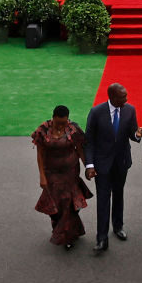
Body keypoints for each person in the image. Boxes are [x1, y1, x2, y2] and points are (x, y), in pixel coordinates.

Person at [83, 83, 142, 254]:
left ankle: (118, 227)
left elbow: (132, 134)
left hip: (121, 163)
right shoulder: (96, 112)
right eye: (122, 97)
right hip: (102, 165)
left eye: (126, 96)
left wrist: (138, 135)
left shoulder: (129, 110)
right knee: (103, 199)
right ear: (111, 97)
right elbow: (89, 141)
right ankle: (102, 238)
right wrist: (89, 165)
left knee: (118, 194)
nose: (126, 99)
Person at [32, 105, 93, 251]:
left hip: (71, 173)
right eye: (59, 122)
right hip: (51, 173)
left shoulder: (73, 129)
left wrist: (88, 167)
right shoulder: (43, 130)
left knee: (69, 204)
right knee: (56, 207)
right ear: (53, 118)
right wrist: (42, 176)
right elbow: (40, 154)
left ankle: (66, 236)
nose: (61, 125)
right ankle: (66, 229)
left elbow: (80, 149)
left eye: (64, 122)